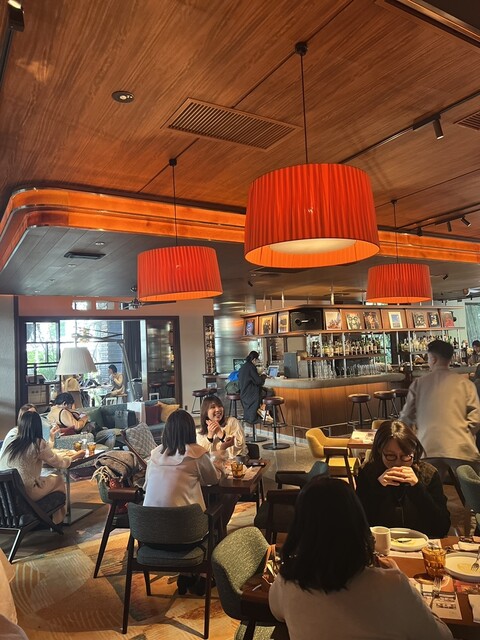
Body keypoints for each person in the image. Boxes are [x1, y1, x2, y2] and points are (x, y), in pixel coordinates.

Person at [269, 476, 453, 640]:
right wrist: (410, 590)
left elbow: (277, 612)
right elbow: (442, 636)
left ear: (299, 527)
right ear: (358, 524)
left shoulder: (287, 581)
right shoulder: (392, 585)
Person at [143, 409, 224, 595]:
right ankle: (203, 576)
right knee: (216, 515)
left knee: (183, 512)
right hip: (186, 538)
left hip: (150, 536)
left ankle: (186, 574)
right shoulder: (196, 454)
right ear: (190, 431)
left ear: (166, 431)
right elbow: (213, 479)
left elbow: (147, 486)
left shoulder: (154, 456)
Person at [399, 339, 480, 477]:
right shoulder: (465, 384)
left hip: (428, 447)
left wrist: (411, 440)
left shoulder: (419, 384)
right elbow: (476, 417)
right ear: (450, 358)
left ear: (433, 359)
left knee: (427, 488)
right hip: (461, 447)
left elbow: (406, 418)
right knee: (472, 487)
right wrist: (464, 432)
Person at [356, 420, 450, 538]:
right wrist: (378, 488)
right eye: (391, 456)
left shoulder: (429, 474)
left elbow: (442, 528)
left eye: (405, 456)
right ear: (380, 451)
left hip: (420, 543)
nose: (398, 463)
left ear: (413, 452)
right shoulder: (368, 473)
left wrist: (417, 488)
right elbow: (359, 524)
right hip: (381, 544)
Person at [0, 411, 85, 524]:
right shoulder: (37, 443)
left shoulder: (10, 441)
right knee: (58, 479)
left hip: (5, 496)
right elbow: (59, 463)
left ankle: (50, 518)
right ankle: (56, 520)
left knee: (46, 478)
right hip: (26, 494)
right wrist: (75, 457)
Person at [48, 392, 117, 448]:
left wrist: (74, 413)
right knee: (111, 434)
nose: (71, 407)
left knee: (104, 429)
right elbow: (77, 426)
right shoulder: (63, 412)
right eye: (70, 405)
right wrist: (85, 418)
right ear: (64, 403)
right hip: (80, 437)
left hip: (75, 436)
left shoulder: (52, 412)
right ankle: (106, 456)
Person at [197, 395, 248, 459]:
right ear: (205, 412)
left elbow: (239, 449)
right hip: (213, 465)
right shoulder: (200, 432)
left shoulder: (232, 422)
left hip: (233, 463)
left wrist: (220, 434)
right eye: (213, 407)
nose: (218, 409)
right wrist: (209, 437)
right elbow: (202, 458)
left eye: (219, 406)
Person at [238, 351, 266, 427]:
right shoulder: (251, 367)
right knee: (269, 392)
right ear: (254, 359)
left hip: (244, 394)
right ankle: (265, 416)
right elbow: (258, 381)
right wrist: (263, 376)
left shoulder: (243, 367)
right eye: (257, 360)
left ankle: (261, 414)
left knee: (265, 393)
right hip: (251, 394)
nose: (257, 362)